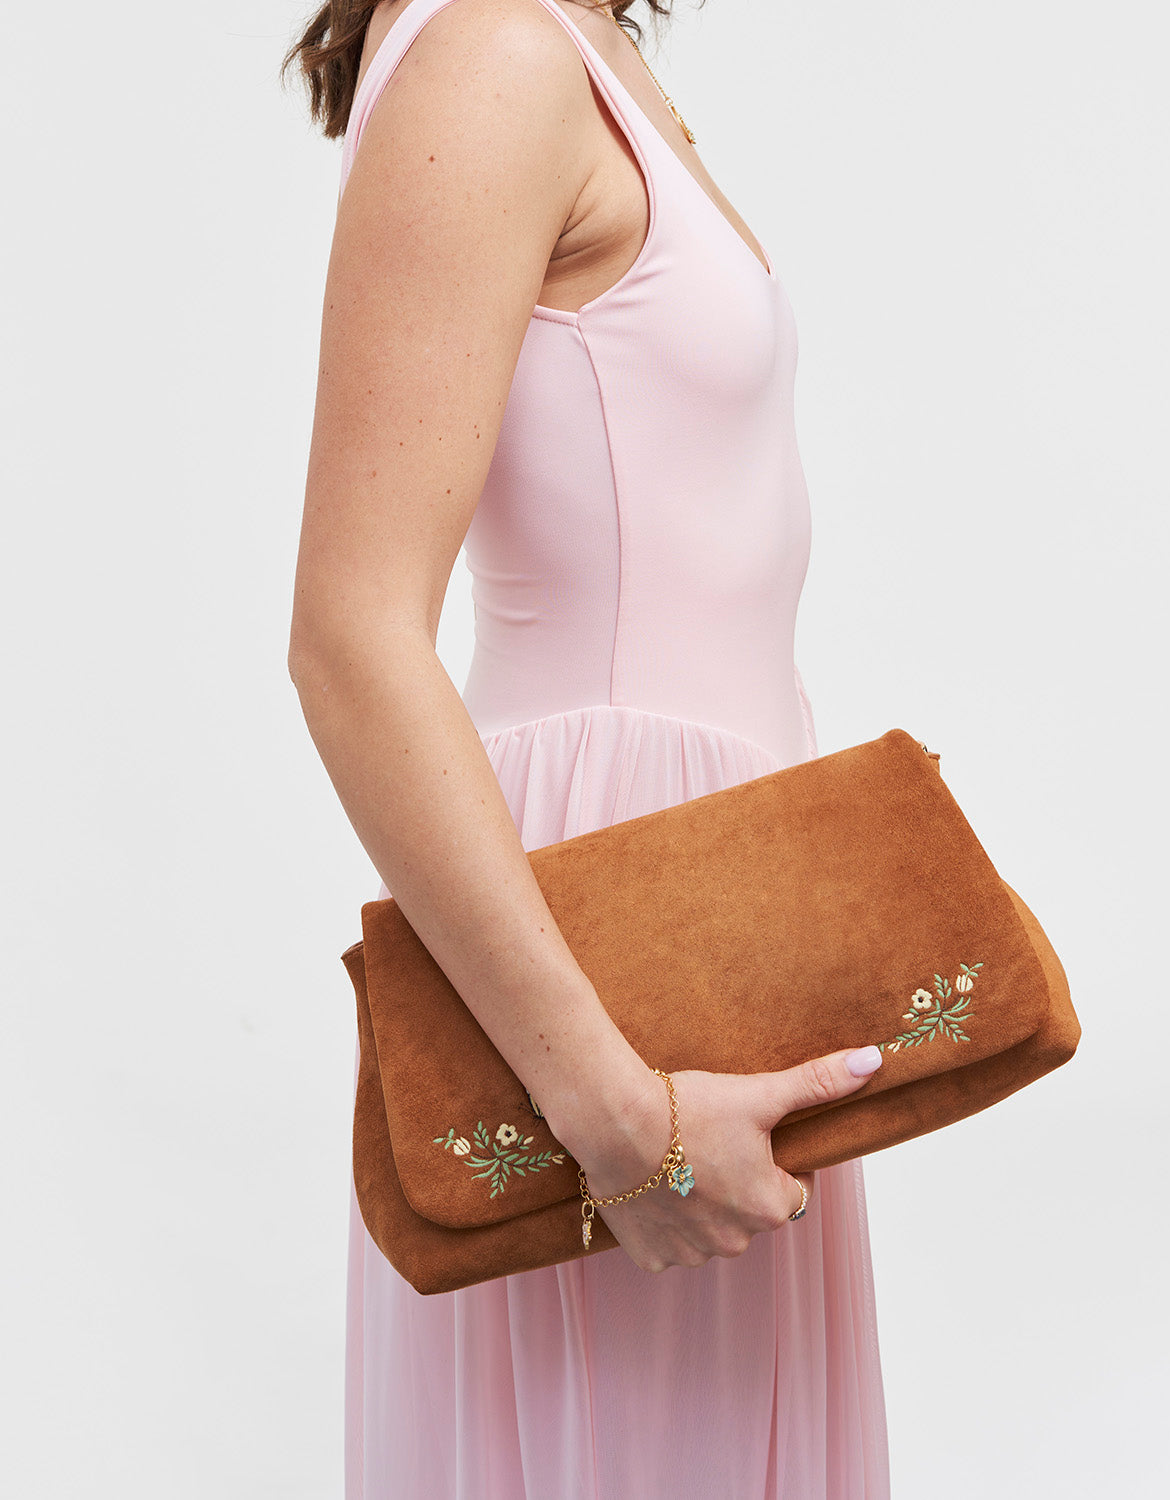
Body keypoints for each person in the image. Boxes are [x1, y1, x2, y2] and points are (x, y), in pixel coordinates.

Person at [282, 0, 891, 1493]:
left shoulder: (565, 38)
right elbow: (349, 638)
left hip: (696, 914)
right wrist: (618, 1121)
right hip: (612, 961)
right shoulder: (493, 51)